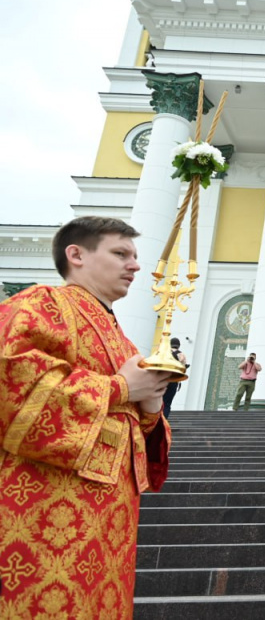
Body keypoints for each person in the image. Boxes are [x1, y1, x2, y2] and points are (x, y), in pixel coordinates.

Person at [0, 216, 172, 619]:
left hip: (109, 520)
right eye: (120, 254)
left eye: (134, 256)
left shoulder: (120, 337)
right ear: (75, 254)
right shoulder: (40, 304)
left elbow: (127, 431)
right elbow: (13, 384)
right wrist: (120, 389)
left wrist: (149, 409)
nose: (134, 265)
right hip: (44, 509)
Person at [162, 337, 188, 418]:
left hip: (163, 379)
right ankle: (164, 422)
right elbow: (183, 369)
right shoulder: (181, 355)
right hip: (174, 380)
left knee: (159, 401)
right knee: (167, 403)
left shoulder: (164, 353)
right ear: (179, 346)